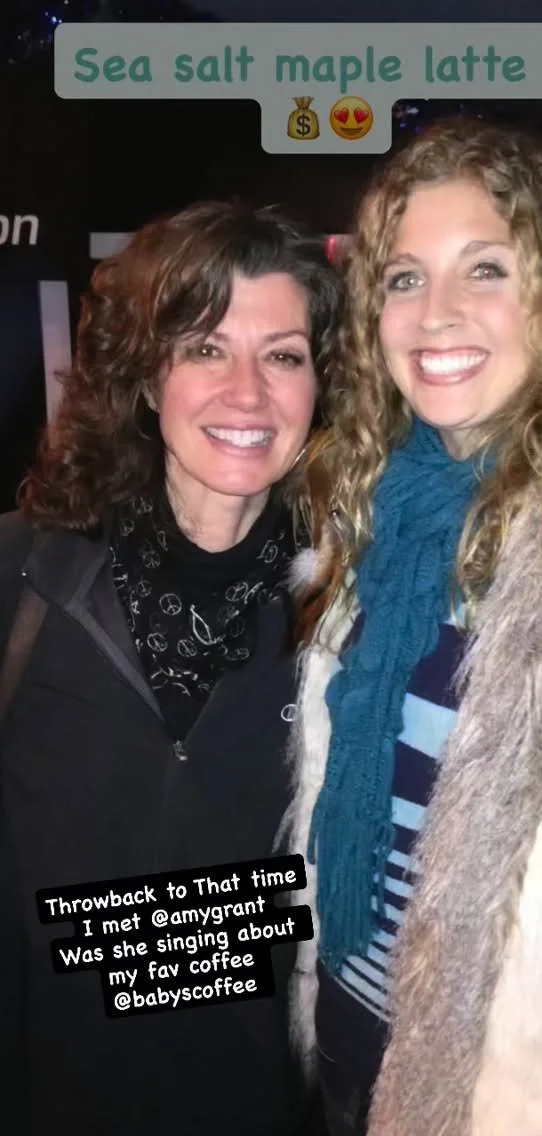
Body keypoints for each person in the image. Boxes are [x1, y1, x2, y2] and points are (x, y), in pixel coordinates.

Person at [288, 116, 542, 1136]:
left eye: (484, 268)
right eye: (404, 278)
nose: (435, 313)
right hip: (345, 1042)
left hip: (515, 1097)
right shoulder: (369, 518)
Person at [0, 200, 342, 1136]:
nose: (247, 393)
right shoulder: (21, 577)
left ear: (320, 387)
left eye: (283, 356)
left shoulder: (350, 621)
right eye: (205, 349)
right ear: (147, 378)